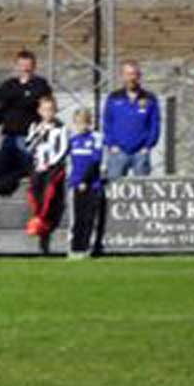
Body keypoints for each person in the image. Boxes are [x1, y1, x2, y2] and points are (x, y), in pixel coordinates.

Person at [0, 50, 53, 195]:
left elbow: (35, 101)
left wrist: (16, 99)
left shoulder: (40, 84)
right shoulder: (9, 85)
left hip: (28, 136)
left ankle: (34, 196)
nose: (25, 69)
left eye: (28, 65)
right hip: (9, 134)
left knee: (27, 167)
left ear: (34, 66)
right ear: (17, 66)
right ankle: (6, 187)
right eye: (22, 65)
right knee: (0, 167)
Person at [25, 95, 69, 254]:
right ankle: (38, 221)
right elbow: (28, 147)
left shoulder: (61, 127)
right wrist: (38, 133)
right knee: (33, 193)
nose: (48, 113)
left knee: (50, 193)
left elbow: (63, 149)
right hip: (38, 167)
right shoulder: (35, 126)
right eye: (44, 110)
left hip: (53, 168)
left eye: (51, 110)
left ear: (55, 111)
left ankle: (41, 222)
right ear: (39, 111)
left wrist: (51, 163)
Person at [102, 60, 161, 179]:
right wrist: (111, 144)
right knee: (114, 190)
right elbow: (107, 122)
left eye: (134, 74)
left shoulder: (149, 98)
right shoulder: (113, 97)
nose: (131, 78)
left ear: (139, 76)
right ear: (122, 76)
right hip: (118, 152)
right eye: (128, 74)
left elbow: (155, 124)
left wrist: (148, 146)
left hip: (141, 152)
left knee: (142, 192)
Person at [67, 109, 107, 259]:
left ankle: (86, 248)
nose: (81, 125)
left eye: (84, 122)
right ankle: (74, 248)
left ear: (89, 122)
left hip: (92, 184)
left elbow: (95, 161)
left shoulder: (96, 138)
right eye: (78, 122)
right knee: (76, 218)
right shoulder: (73, 140)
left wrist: (85, 180)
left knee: (89, 218)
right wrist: (75, 181)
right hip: (76, 184)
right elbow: (70, 162)